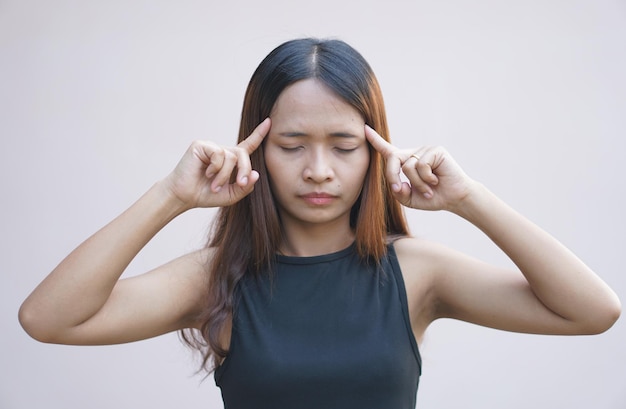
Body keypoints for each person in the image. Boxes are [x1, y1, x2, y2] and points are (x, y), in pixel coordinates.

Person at [19, 38, 621, 408]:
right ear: (255, 148)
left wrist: (470, 199)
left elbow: (593, 311)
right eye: (291, 144)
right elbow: (47, 319)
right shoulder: (216, 278)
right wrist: (171, 195)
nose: (318, 170)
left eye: (343, 145)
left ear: (375, 152)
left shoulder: (415, 273)